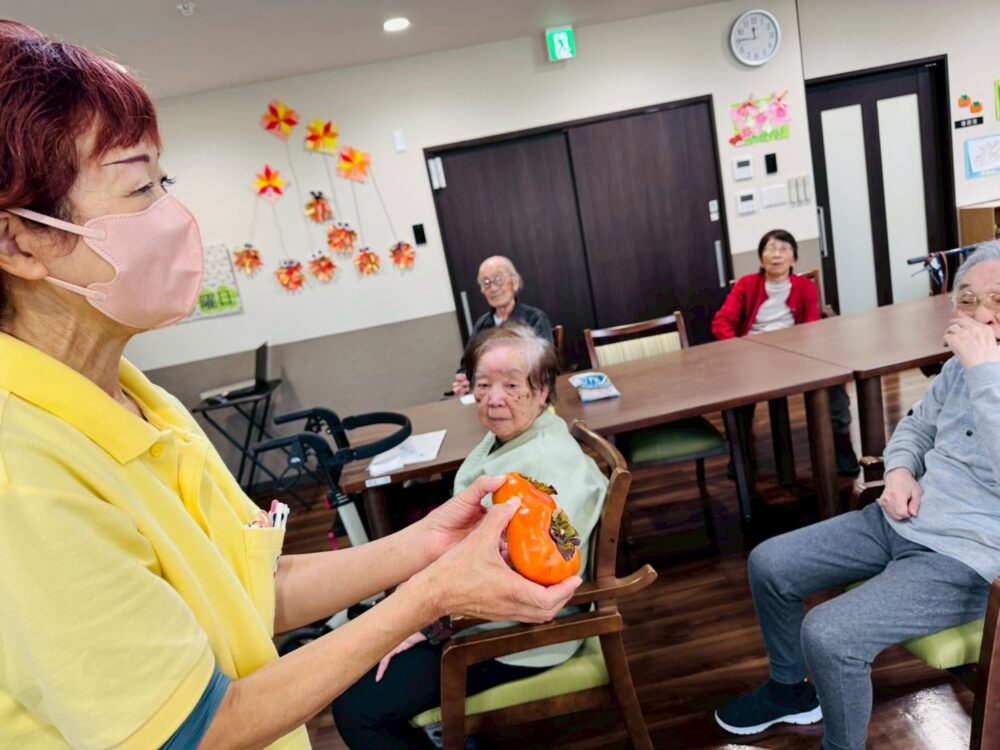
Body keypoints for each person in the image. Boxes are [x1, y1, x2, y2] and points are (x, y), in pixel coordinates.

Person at [0, 22, 581, 749]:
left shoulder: (137, 398)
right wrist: (430, 595)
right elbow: (195, 731)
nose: (172, 216)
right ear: (18, 242)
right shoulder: (21, 475)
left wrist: (427, 543)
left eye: (164, 183)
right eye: (140, 186)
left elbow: (254, 589)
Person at [714, 242, 1000, 750]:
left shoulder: (977, 366)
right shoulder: (960, 367)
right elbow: (916, 427)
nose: (980, 315)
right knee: (770, 564)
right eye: (968, 300)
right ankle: (789, 691)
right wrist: (898, 472)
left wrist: (985, 372)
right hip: (905, 516)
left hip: (966, 557)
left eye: (997, 300)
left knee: (829, 634)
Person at [335, 325, 608, 748]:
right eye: (483, 385)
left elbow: (522, 583)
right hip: (473, 611)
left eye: (511, 385)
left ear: (541, 392)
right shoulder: (515, 437)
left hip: (515, 635)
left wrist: (422, 624)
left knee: (357, 708)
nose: (494, 398)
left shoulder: (539, 470)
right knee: (359, 660)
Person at [711, 228, 859, 476]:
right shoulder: (747, 285)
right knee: (737, 392)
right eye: (771, 249)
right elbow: (721, 322)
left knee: (834, 382)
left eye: (783, 249)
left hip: (797, 356)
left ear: (793, 259)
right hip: (752, 357)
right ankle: (741, 454)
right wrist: (738, 349)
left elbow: (812, 327)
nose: (777, 255)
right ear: (761, 260)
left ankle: (841, 444)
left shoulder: (805, 287)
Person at [450, 255, 553, 397]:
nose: (493, 288)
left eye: (499, 279)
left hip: (526, 395)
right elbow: (465, 366)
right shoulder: (482, 324)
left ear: (514, 282)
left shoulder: (535, 318)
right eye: (486, 282)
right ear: (482, 290)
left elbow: (545, 366)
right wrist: (465, 381)